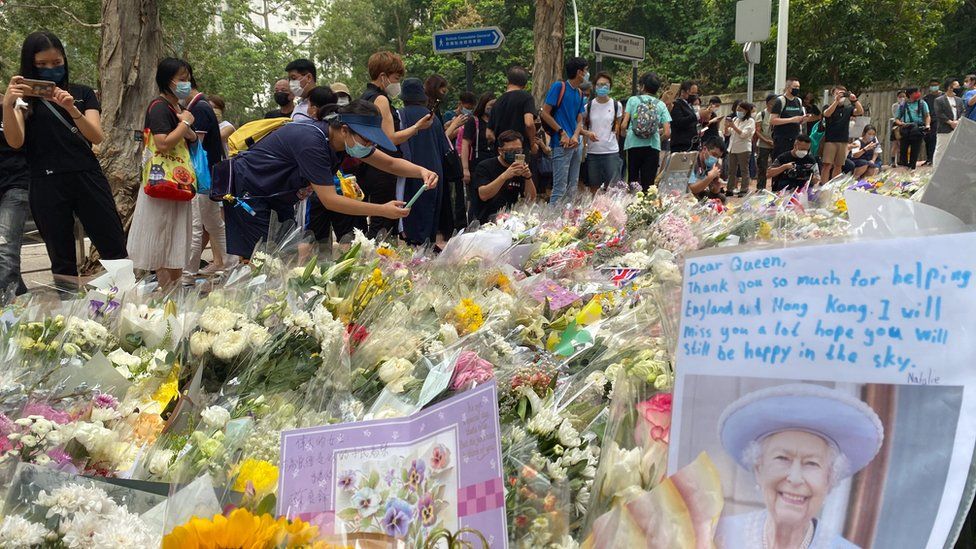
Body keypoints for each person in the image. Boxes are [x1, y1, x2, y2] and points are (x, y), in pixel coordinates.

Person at [222, 100, 436, 259]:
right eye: (367, 140)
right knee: (263, 259)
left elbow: (388, 163)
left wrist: (421, 172)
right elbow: (330, 200)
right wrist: (382, 209)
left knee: (285, 256)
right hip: (249, 195)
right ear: (344, 130)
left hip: (277, 198)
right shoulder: (312, 142)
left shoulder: (344, 142)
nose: (370, 146)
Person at [2, 31, 127, 281]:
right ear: (30, 64)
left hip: (87, 176)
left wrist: (70, 108)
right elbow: (15, 141)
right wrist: (8, 104)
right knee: (61, 259)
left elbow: (96, 136)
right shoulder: (24, 101)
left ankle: (126, 307)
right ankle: (70, 315)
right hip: (45, 182)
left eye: (56, 62)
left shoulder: (82, 93)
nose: (51, 69)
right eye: (42, 65)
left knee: (114, 248)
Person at [715, 383, 884, 549]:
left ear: (829, 479)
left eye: (811, 463)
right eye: (782, 458)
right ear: (759, 469)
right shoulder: (718, 536)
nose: (795, 478)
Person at [126, 58, 197, 287]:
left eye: (188, 79)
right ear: (167, 81)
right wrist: (185, 125)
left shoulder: (178, 108)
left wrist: (186, 125)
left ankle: (171, 292)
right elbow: (163, 142)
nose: (186, 84)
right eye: (182, 79)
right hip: (163, 182)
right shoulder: (158, 107)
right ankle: (168, 290)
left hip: (175, 183)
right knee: (161, 236)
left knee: (172, 236)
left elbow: (192, 138)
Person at [359, 51, 433, 238]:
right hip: (383, 167)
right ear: (383, 76)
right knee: (384, 223)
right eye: (396, 78)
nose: (397, 83)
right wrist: (417, 127)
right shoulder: (381, 99)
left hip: (368, 165)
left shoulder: (365, 97)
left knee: (376, 219)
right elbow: (389, 138)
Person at [182, 68, 230, 280]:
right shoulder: (200, 106)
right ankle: (232, 266)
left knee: (196, 227)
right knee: (213, 225)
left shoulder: (198, 109)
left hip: (199, 177)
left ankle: (187, 274)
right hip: (208, 177)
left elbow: (196, 146)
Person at [398, 78, 448, 244]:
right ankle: (428, 250)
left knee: (412, 218)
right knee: (430, 215)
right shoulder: (431, 117)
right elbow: (443, 147)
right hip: (435, 171)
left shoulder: (401, 115)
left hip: (410, 171)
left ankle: (415, 255)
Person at [540, 57, 588, 204]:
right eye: (586, 71)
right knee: (559, 188)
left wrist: (575, 135)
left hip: (575, 144)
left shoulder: (579, 93)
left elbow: (579, 119)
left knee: (572, 188)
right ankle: (551, 222)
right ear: (579, 72)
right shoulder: (559, 87)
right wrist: (562, 132)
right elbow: (544, 113)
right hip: (561, 144)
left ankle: (567, 222)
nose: (587, 74)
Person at [424, 74, 465, 245]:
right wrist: (453, 126)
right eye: (442, 88)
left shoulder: (436, 107)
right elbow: (438, 140)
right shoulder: (428, 109)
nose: (445, 91)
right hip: (436, 163)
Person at [470, 130, 536, 223]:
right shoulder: (485, 166)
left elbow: (531, 199)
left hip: (508, 219)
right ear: (500, 151)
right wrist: (504, 176)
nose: (514, 154)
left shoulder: (520, 167)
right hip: (484, 220)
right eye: (510, 151)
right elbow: (483, 195)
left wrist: (528, 177)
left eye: (518, 150)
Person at [0, 88, 29, 297]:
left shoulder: (15, 105)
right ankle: (19, 294)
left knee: (6, 250)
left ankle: (6, 317)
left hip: (15, 185)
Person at [620, 72, 671, 192]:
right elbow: (667, 132)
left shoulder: (633, 100)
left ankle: (630, 207)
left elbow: (623, 125)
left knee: (631, 181)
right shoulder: (661, 105)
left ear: (642, 86)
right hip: (652, 146)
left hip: (633, 145)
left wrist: (624, 134)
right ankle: (646, 207)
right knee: (648, 185)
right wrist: (659, 138)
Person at [581, 72, 623, 192]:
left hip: (611, 152)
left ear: (610, 86)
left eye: (605, 85)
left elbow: (617, 127)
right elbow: (583, 127)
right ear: (594, 87)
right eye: (599, 85)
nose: (602, 87)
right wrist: (585, 148)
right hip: (593, 152)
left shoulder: (616, 105)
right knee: (594, 188)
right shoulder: (588, 107)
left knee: (613, 189)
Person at [820, 85, 864, 181]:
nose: (840, 96)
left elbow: (860, 111)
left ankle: (834, 185)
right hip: (830, 140)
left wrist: (855, 100)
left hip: (843, 140)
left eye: (842, 94)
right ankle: (823, 185)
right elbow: (827, 114)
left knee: (839, 165)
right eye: (837, 93)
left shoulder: (848, 108)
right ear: (833, 94)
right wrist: (836, 101)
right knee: (827, 165)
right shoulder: (827, 106)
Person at [489, 66, 537, 152]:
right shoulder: (526, 97)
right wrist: (532, 144)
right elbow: (529, 123)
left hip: (501, 152)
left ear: (508, 81)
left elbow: (488, 133)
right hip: (519, 149)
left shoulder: (497, 102)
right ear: (525, 85)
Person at [461, 92, 496, 189]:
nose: (492, 108)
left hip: (494, 164)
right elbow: (465, 145)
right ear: (483, 105)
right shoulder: (473, 121)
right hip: (477, 165)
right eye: (490, 105)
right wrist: (465, 169)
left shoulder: (498, 123)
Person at [893, 87, 931, 169]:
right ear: (910, 94)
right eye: (916, 92)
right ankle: (904, 167)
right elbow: (896, 119)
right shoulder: (903, 105)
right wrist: (901, 124)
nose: (918, 93)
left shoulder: (922, 103)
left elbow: (927, 116)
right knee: (903, 150)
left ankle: (912, 167)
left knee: (915, 150)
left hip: (917, 129)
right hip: (906, 128)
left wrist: (928, 125)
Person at [770, 77, 808, 158]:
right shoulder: (780, 101)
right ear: (788, 87)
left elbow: (800, 117)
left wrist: (803, 119)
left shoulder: (798, 101)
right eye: (795, 87)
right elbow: (773, 120)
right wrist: (791, 120)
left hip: (795, 138)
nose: (797, 89)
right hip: (782, 139)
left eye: (798, 87)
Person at [724, 101, 755, 197]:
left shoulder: (750, 121)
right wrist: (726, 127)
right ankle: (730, 189)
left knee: (744, 170)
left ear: (746, 111)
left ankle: (744, 189)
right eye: (737, 109)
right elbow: (728, 134)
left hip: (743, 149)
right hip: (732, 148)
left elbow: (743, 135)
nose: (738, 111)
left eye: (740, 110)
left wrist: (733, 126)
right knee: (731, 170)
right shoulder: (735, 119)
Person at [933, 78, 966, 166]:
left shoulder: (959, 100)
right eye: (956, 85)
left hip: (957, 128)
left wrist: (958, 121)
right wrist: (951, 122)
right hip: (944, 129)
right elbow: (939, 113)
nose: (958, 87)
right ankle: (936, 170)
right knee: (940, 150)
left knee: (957, 151)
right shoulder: (939, 100)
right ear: (949, 87)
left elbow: (963, 111)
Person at [670, 81, 700, 152]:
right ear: (683, 92)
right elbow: (679, 122)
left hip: (692, 144)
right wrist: (697, 115)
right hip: (682, 145)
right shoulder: (677, 104)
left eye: (696, 93)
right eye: (692, 93)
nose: (694, 96)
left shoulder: (689, 105)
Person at [755, 94, 777, 191]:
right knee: (762, 166)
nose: (774, 105)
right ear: (767, 103)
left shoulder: (778, 114)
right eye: (772, 103)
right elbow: (757, 131)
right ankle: (761, 187)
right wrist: (767, 140)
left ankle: (775, 186)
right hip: (764, 144)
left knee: (776, 166)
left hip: (776, 144)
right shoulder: (761, 114)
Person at [922, 78, 942, 164]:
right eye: (932, 85)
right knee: (928, 139)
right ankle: (929, 158)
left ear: (939, 85)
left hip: (940, 120)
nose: (934, 87)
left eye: (935, 85)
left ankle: (937, 159)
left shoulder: (943, 96)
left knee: (936, 139)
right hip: (929, 121)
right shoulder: (926, 98)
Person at [889, 90, 907, 166]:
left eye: (903, 96)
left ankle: (901, 160)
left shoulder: (908, 105)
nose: (902, 98)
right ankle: (893, 161)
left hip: (905, 125)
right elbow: (895, 115)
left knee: (902, 144)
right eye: (900, 97)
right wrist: (901, 105)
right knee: (895, 144)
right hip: (896, 125)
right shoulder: (895, 105)